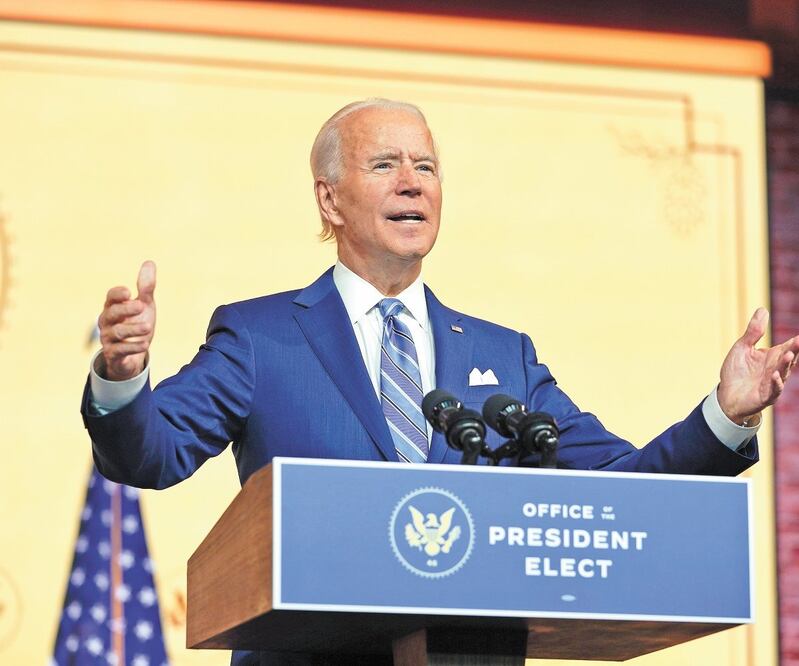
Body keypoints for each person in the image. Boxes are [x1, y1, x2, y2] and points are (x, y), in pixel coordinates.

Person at [81, 99, 797, 664]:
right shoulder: (261, 337)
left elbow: (620, 487)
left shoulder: (501, 354)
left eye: (426, 166)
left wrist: (725, 416)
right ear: (329, 201)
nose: (412, 183)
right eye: (385, 164)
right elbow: (149, 454)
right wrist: (123, 375)